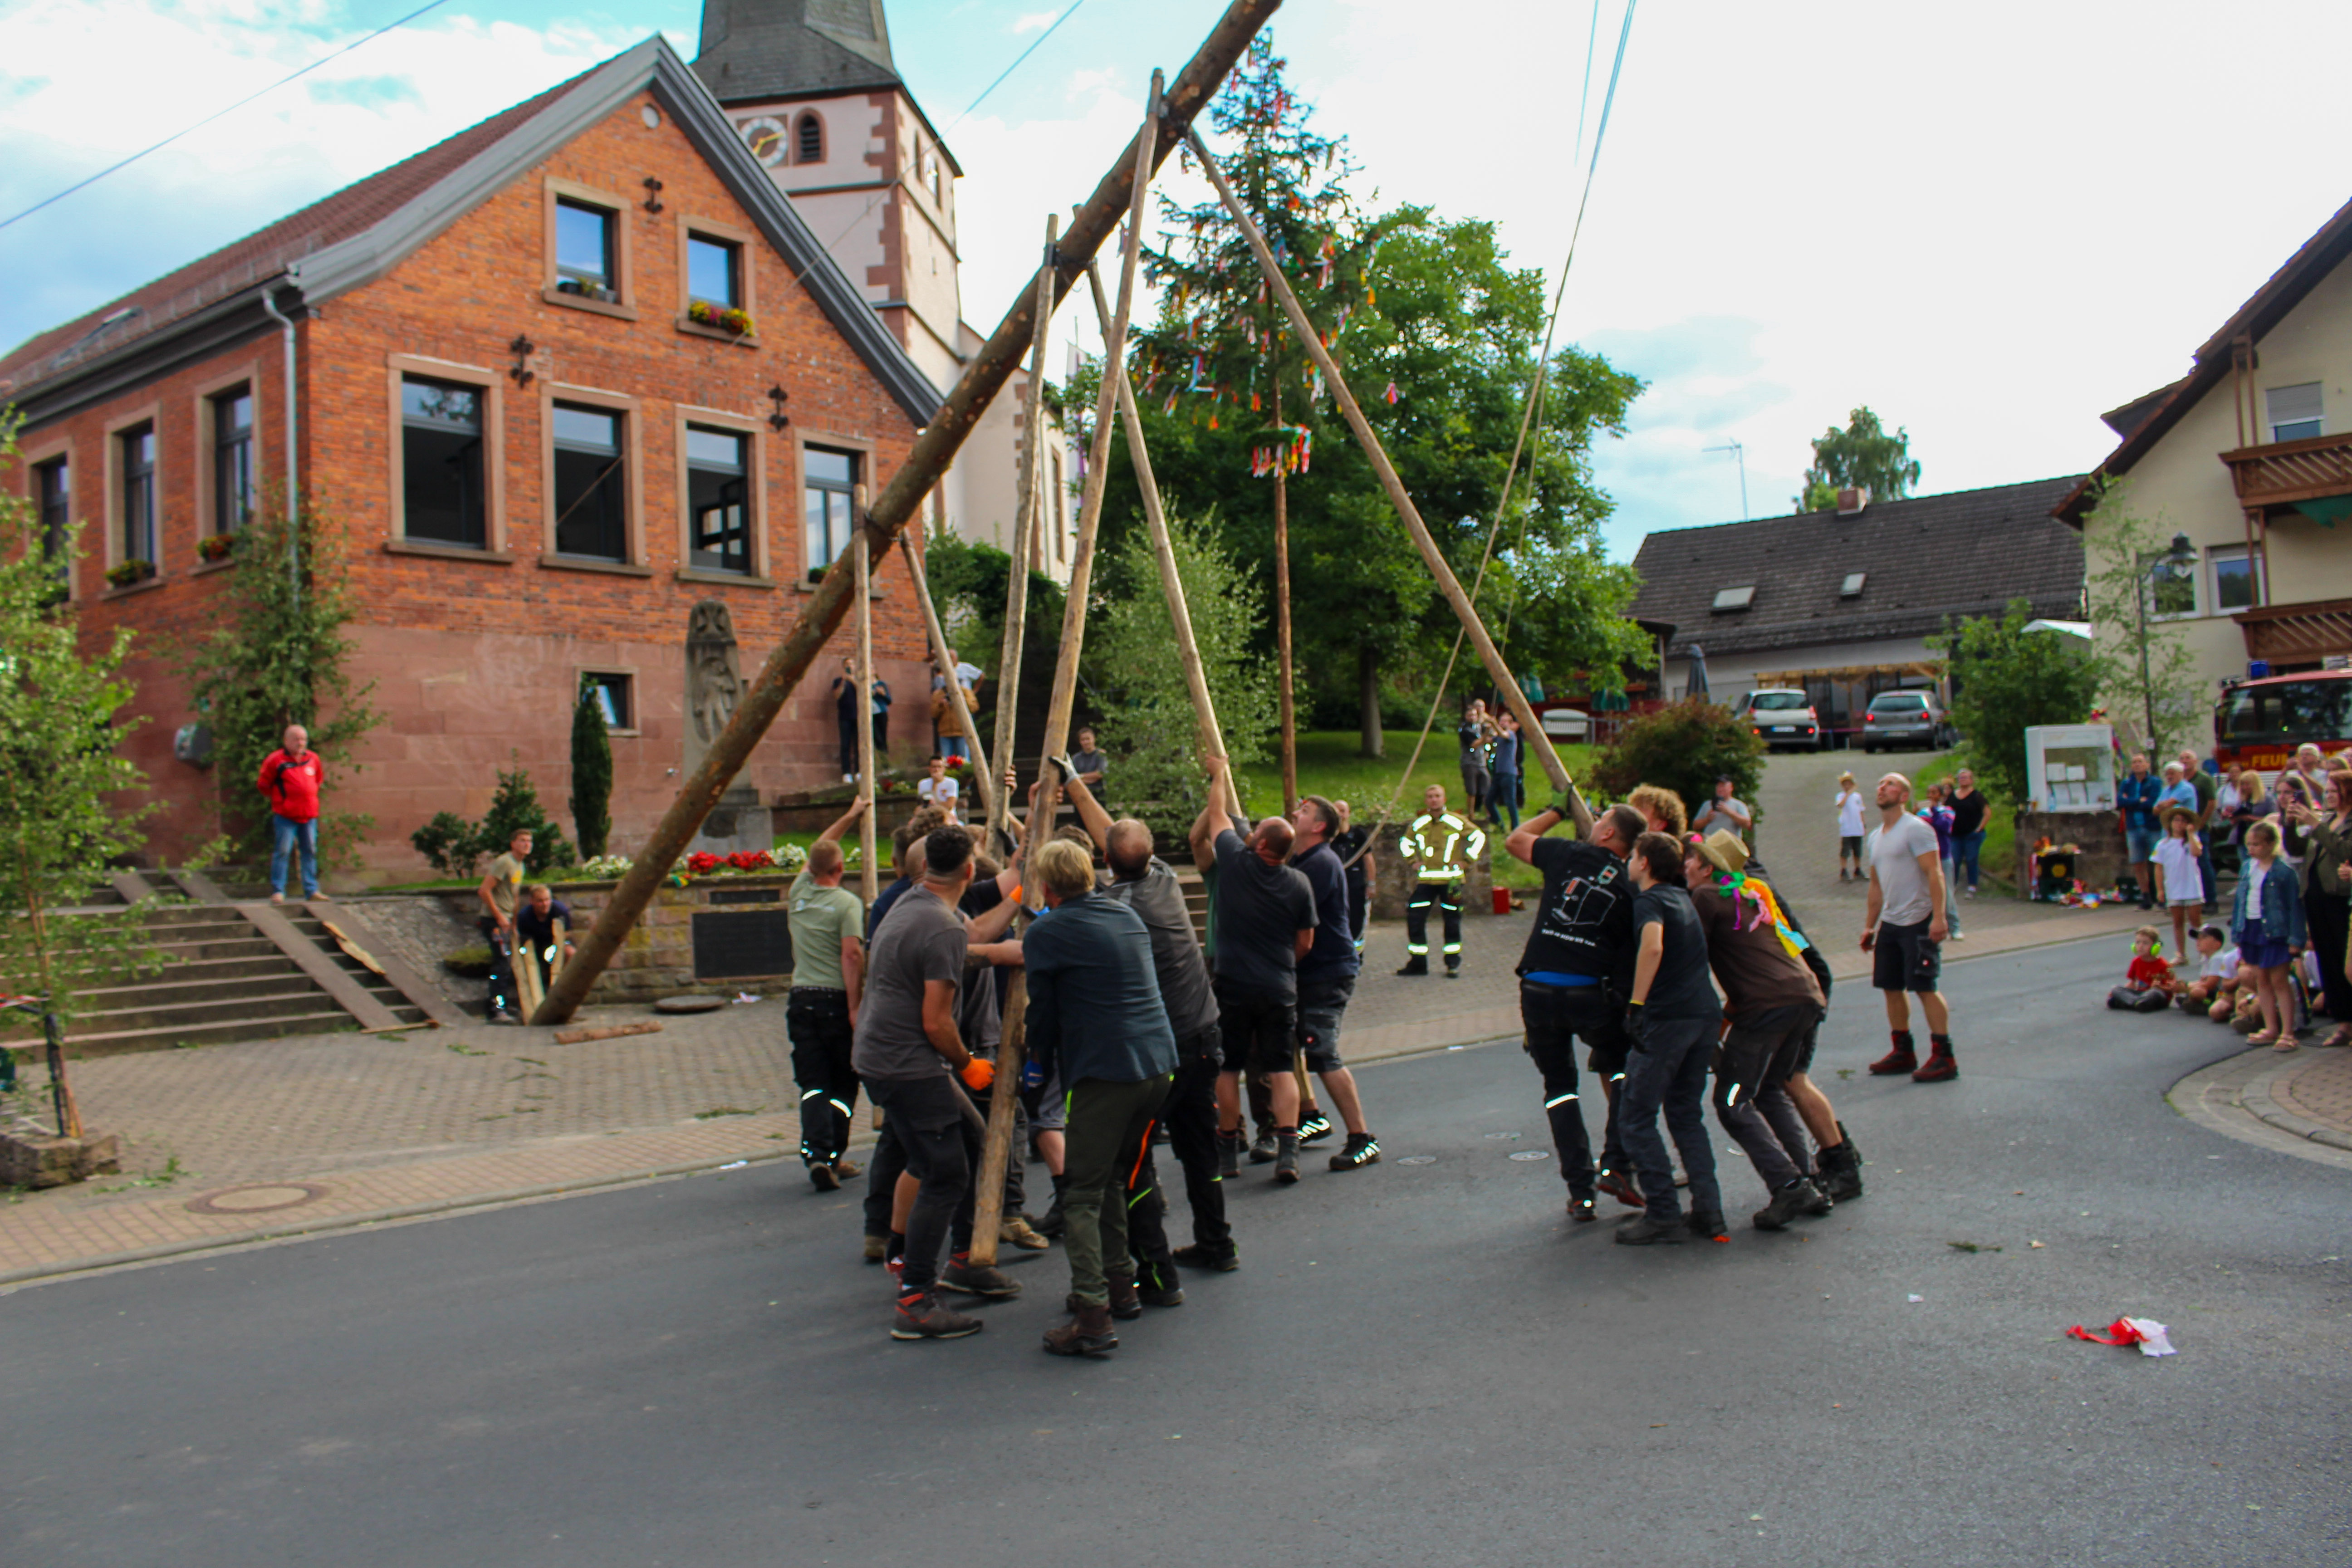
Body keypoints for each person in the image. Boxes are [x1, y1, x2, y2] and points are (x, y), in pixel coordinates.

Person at [1058, 764, 1235, 1274]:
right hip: (1205, 1035)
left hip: (1162, 1049)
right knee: (1201, 1150)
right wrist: (1074, 782)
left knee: (1132, 1160)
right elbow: (1114, 836)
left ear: (1107, 862)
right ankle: (1217, 1244)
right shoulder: (1165, 881)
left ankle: (1154, 1270)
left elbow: (1108, 845)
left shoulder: (1113, 909)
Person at [852, 824, 1021, 1341]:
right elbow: (937, 1022)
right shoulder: (941, 926)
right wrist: (968, 1063)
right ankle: (916, 1298)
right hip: (910, 1064)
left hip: (881, 1058)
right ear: (970, 871)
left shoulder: (911, 903)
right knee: (943, 1171)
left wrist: (1015, 900)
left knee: (970, 1142)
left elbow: (965, 944)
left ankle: (965, 1258)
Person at [1021, 838, 1180, 1357]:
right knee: (1112, 1175)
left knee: (1081, 1193)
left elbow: (1041, 1013)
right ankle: (1120, 1284)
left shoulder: (1047, 931)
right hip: (1156, 1064)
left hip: (1106, 1071)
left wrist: (1035, 1067)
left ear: (1047, 886)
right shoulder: (1125, 917)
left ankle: (1093, 1314)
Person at [1504, 796, 1645, 1224]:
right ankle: (1617, 1164)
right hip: (1592, 995)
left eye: (1601, 818)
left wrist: (1556, 812)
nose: (1595, 821)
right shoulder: (1632, 883)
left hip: (1540, 989)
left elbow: (1516, 840)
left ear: (1606, 833)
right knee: (1622, 1070)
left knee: (1560, 1089)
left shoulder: (1568, 853)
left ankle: (1581, 1192)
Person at [1683, 831, 1832, 1233]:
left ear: (1708, 868)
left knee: (1732, 1101)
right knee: (1769, 1089)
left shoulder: (1706, 898)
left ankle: (1788, 1184)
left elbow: (1686, 954)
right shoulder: (1748, 896)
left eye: (1691, 861)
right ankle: (1808, 1180)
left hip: (1768, 1009)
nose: (1685, 867)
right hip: (1803, 997)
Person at [1196, 762, 1318, 1185]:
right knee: (1282, 1068)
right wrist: (1284, 965)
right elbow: (1306, 943)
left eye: (1256, 831)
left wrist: (1219, 774)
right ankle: (1289, 1150)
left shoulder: (1234, 862)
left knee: (1227, 1069)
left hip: (1232, 985)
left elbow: (1216, 817)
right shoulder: (1299, 884)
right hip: (1279, 986)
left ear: (1260, 843)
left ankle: (1228, 1148)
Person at [1614, 831, 1725, 1246]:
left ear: (1644, 863)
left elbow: (1653, 948)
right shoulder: (1683, 899)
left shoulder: (1651, 901)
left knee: (1636, 1115)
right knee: (1684, 1111)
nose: (1630, 862)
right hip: (1703, 1013)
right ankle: (1709, 1210)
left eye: (1634, 855)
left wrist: (1637, 1005)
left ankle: (1662, 1211)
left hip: (1668, 1016)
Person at [1290, 794, 1380, 1171]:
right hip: (1309, 970)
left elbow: (1298, 922)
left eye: (1305, 811)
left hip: (1328, 970)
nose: (1296, 812)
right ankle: (1310, 1116)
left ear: (1319, 827)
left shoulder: (1321, 864)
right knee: (1292, 1043)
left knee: (1322, 1050)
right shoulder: (1302, 860)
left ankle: (1362, 1138)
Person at [788, 797, 870, 1191]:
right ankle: (831, 1154)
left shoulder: (798, 893)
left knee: (813, 1083)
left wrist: (850, 816)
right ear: (840, 870)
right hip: (835, 1001)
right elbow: (852, 955)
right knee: (842, 1083)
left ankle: (817, 1155)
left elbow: (817, 849)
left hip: (800, 999)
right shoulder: (847, 905)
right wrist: (855, 1007)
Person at [1863, 772, 1957, 1083]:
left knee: (1924, 987)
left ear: (1904, 796)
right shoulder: (1875, 837)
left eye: (1889, 784)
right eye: (1880, 784)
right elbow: (1876, 885)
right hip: (1891, 921)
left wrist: (1940, 917)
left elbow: (1935, 874)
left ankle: (1944, 1056)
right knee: (1891, 988)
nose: (1882, 788)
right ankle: (1903, 1051)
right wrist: (1869, 926)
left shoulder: (1917, 829)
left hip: (1919, 919)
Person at [2284, 770, 2352, 1047]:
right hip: (2316, 898)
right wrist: (2291, 824)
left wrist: (2316, 824)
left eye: (2335, 791)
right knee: (2328, 961)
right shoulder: (2326, 820)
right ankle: (2344, 1023)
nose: (2330, 796)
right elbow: (2299, 849)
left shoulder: (2339, 823)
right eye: (2328, 791)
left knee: (2346, 961)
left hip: (2340, 899)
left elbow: (2345, 851)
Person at [2230, 819, 2307, 1050]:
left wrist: (2296, 940)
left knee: (2279, 981)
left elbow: (2295, 907)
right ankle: (2271, 1028)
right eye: (2249, 845)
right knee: (2261, 979)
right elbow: (2240, 902)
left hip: (2275, 931)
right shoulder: (2247, 868)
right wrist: (2237, 930)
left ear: (2271, 844)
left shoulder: (2284, 873)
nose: (2252, 849)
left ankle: (2288, 1031)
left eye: (2257, 845)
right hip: (2251, 929)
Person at [1397, 784, 1485, 978]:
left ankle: (1453, 964)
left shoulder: (1456, 821)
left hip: (1453, 881)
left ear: (1444, 800)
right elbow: (1405, 842)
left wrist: (1467, 861)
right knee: (1415, 918)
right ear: (1426, 800)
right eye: (1430, 796)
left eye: (1437, 796)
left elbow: (1478, 836)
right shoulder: (1420, 823)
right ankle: (1418, 963)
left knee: (1452, 922)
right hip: (1427, 881)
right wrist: (1413, 861)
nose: (1434, 800)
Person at [257, 723, 326, 904]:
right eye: (296, 739)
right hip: (285, 816)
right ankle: (278, 890)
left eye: (303, 739)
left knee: (310, 851)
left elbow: (318, 780)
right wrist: (283, 801)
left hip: (309, 815)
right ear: (286, 741)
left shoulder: (313, 759)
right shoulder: (276, 761)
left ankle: (311, 890)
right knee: (283, 851)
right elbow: (264, 784)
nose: (301, 743)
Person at [475, 827, 534, 1024]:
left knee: (507, 964)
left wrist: (514, 923)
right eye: (523, 841)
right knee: (501, 963)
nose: (527, 844)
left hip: (507, 921)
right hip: (494, 921)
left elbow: (515, 896)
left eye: (529, 841)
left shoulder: (520, 866)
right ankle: (495, 1010)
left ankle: (503, 1005)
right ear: (513, 844)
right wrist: (499, 916)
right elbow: (484, 891)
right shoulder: (504, 862)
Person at [2151, 806, 2208, 965]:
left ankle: (2204, 951)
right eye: (2177, 820)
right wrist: (2160, 889)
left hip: (2191, 887)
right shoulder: (2163, 845)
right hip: (2174, 888)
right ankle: (2181, 954)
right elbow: (2158, 868)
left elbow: (2197, 852)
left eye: (2183, 821)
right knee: (2178, 922)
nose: (2179, 824)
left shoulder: (2192, 841)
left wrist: (2190, 834)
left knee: (2196, 921)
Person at [510, 882, 576, 998]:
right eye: (540, 901)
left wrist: (553, 949)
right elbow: (523, 941)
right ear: (532, 901)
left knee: (571, 953)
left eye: (547, 900)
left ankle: (566, 991)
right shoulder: (524, 917)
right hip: (535, 947)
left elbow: (567, 933)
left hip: (556, 945)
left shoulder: (560, 911)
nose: (545, 904)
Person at [2176, 749, 2220, 913]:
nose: (2185, 760)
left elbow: (2211, 802)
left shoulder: (2203, 780)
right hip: (2182, 830)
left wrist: (2201, 823)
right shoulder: (2180, 782)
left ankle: (2211, 900)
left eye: (2188, 758)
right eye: (2182, 758)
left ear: (2195, 761)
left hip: (2198, 829)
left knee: (2203, 864)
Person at [1919, 781, 1963, 940]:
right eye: (1929, 793)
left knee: (1948, 893)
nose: (1931, 796)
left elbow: (1945, 827)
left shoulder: (1948, 811)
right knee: (1927, 892)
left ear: (1941, 796)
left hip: (1943, 857)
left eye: (1935, 793)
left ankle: (1955, 927)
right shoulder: (1922, 812)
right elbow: (1921, 829)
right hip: (1927, 856)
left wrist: (1934, 813)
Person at [2117, 754, 2161, 909]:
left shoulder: (2154, 782)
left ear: (2147, 765)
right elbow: (2120, 801)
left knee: (2158, 862)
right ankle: (2146, 897)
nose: (2137, 765)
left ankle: (2161, 896)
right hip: (2133, 828)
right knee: (2138, 863)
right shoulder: (2127, 783)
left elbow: (2152, 802)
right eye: (2134, 762)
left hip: (2152, 827)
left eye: (2140, 762)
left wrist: (2132, 803)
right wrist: (2137, 801)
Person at [1331, 799, 1374, 951]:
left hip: (1355, 886)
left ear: (1348, 814)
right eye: (1336, 811)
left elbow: (1369, 860)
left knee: (1356, 921)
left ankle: (1356, 954)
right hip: (1333, 886)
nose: (1340, 815)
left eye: (1343, 811)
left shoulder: (1359, 835)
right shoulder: (1327, 835)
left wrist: (1371, 884)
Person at [2180, 924, 2237, 1017]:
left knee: (2197, 993)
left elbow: (2210, 985)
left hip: (2222, 992)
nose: (2198, 941)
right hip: (2215, 991)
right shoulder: (2206, 958)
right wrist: (2186, 985)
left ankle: (2206, 1003)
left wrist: (2186, 988)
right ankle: (2194, 1000)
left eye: (2203, 938)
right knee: (2194, 990)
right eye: (2198, 939)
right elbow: (2203, 980)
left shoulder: (2218, 958)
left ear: (2217, 944)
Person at [1948, 767, 1989, 897]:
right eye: (1961, 778)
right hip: (1955, 835)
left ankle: (1972, 886)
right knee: (1955, 860)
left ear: (1971, 780)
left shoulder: (1977, 796)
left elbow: (1987, 813)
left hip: (1972, 835)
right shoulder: (1952, 796)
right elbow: (1945, 811)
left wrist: (1979, 829)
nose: (1963, 780)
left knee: (1972, 859)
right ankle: (1952, 886)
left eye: (1966, 777)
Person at [1486, 710, 1523, 832]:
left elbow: (1504, 734)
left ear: (1510, 723)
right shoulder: (1499, 735)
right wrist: (1488, 727)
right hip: (1499, 773)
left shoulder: (1511, 734)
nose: (1502, 722)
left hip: (1509, 773)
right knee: (1489, 801)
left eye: (1504, 721)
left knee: (1510, 802)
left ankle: (1515, 828)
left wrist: (1494, 723)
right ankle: (1499, 825)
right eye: (1501, 720)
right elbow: (1489, 739)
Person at [1457, 700, 1494, 820]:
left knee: (1486, 789)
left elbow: (1490, 739)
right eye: (1470, 715)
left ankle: (1489, 814)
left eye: (1474, 715)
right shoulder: (1465, 730)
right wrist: (1486, 735)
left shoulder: (1479, 727)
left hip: (1481, 763)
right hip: (1470, 763)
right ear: (1466, 717)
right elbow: (1474, 744)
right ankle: (1471, 814)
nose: (1472, 717)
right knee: (1472, 791)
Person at [1691, 775, 1753, 844]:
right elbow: (1695, 826)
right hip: (1710, 846)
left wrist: (1729, 812)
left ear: (1731, 788)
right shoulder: (1707, 804)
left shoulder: (1739, 805)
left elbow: (1747, 824)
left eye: (1723, 786)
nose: (1720, 789)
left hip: (1730, 846)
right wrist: (1707, 820)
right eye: (1718, 786)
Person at [830, 658, 862, 783]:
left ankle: (859, 771)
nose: (850, 667)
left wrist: (852, 680)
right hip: (845, 716)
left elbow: (864, 692)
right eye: (847, 665)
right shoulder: (838, 681)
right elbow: (837, 695)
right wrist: (844, 681)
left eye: (852, 664)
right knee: (845, 745)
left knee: (859, 745)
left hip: (858, 716)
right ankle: (847, 772)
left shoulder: (859, 680)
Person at [1835, 771, 1867, 884]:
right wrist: (1848, 794)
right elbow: (1840, 805)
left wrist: (1863, 824)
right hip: (1847, 829)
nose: (1847, 787)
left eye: (1849, 784)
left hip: (1857, 827)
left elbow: (1861, 811)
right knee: (1845, 850)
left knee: (1857, 850)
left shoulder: (1858, 797)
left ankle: (1858, 869)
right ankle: (1844, 870)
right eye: (1845, 785)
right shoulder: (1840, 796)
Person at [916, 755, 961, 821]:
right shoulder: (923, 783)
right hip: (928, 816)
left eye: (940, 767)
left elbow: (949, 806)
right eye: (934, 767)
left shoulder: (952, 783)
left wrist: (934, 804)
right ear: (929, 769)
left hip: (946, 816)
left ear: (944, 769)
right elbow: (923, 804)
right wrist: (934, 785)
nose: (937, 770)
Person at [1068, 728, 1108, 794]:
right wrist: (1092, 778)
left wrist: (1081, 776)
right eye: (1083, 740)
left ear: (1094, 739)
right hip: (1081, 792)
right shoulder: (1075, 758)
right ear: (1080, 742)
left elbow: (1101, 773)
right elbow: (1072, 777)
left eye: (1088, 739)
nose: (1086, 742)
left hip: (1099, 792)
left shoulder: (1101, 755)